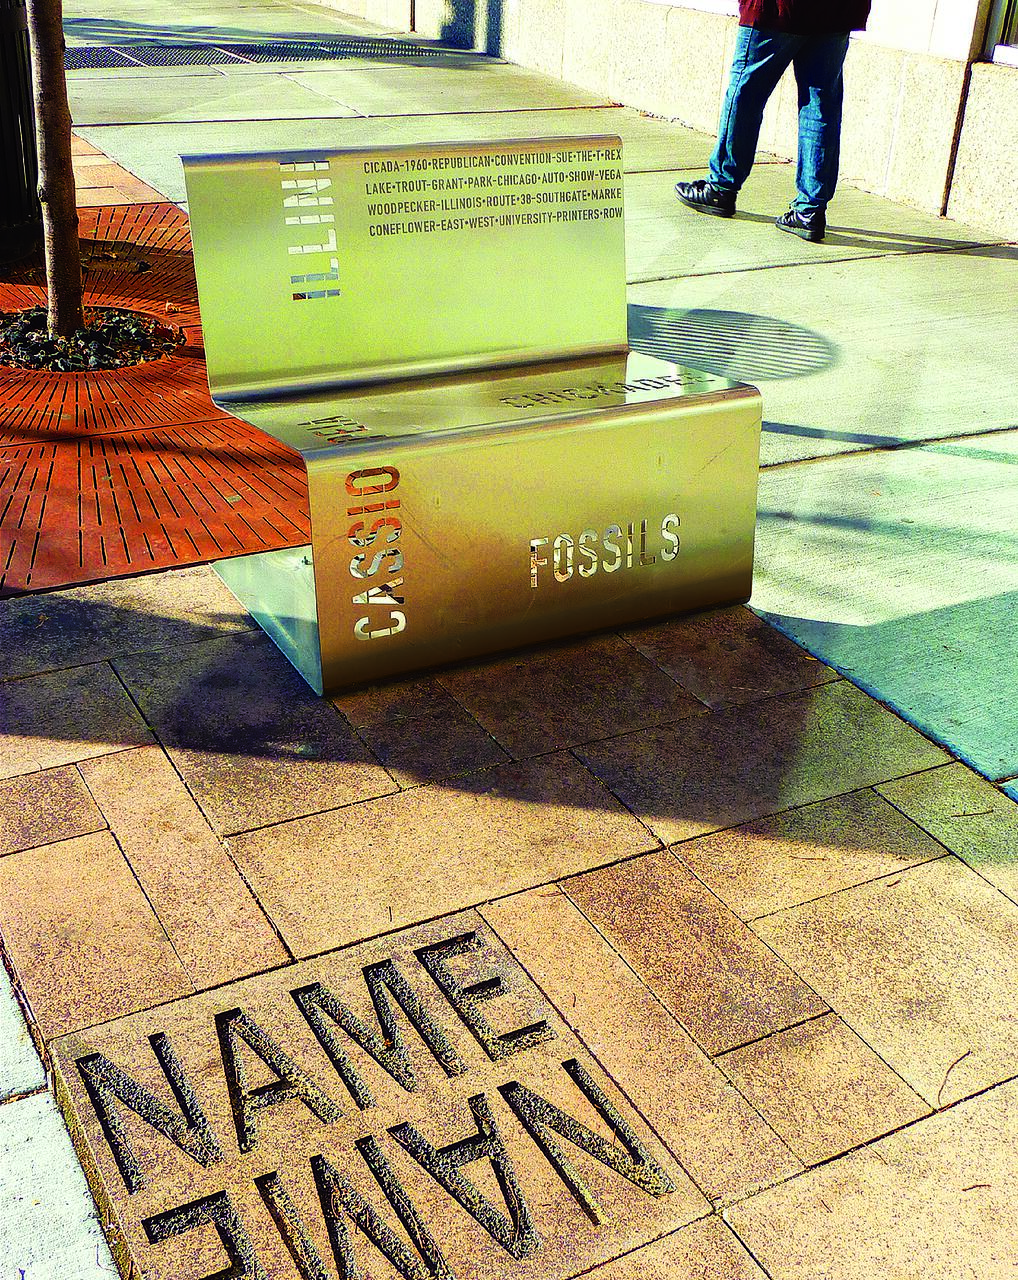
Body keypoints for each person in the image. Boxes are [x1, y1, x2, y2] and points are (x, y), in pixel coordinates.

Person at [675, 0, 872, 242]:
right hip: (838, 9)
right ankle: (810, 210)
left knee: (746, 93)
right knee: (821, 105)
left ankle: (722, 187)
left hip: (776, 8)